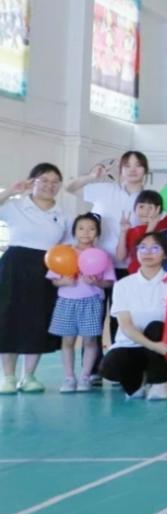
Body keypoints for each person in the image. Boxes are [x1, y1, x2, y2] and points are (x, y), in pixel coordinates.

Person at [0, 165, 69, 393]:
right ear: (32, 181)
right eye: (44, 180)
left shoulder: (63, 215)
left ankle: (29, 376)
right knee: (9, 319)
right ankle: (8, 377)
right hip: (14, 267)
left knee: (37, 320)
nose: (50, 185)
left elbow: (68, 247)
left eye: (55, 181)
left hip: (46, 269)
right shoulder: (15, 206)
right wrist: (10, 191)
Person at [100, 232, 167, 400]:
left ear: (165, 254)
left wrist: (157, 347)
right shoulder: (123, 285)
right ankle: (138, 382)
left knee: (156, 326)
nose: (148, 252)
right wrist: (152, 346)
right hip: (131, 346)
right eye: (142, 248)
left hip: (164, 347)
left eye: (155, 248)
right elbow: (126, 326)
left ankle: (159, 382)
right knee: (109, 366)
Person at [47, 213, 113, 393]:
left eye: (91, 229)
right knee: (67, 340)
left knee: (90, 340)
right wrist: (64, 282)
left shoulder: (102, 255)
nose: (86, 232)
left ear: (97, 233)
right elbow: (54, 280)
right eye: (81, 228)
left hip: (92, 302)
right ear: (74, 231)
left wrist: (96, 283)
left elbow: (109, 282)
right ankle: (69, 377)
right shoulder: (64, 252)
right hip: (66, 302)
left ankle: (85, 376)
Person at [66, 151, 150, 277]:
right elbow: (69, 188)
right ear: (120, 169)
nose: (132, 169)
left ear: (145, 170)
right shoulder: (105, 189)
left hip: (134, 266)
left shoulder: (149, 199)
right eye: (127, 165)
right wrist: (91, 176)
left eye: (138, 165)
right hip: (97, 262)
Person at [118, 190, 167, 274]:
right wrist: (123, 232)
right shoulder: (131, 231)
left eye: (150, 208)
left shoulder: (163, 224)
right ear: (135, 208)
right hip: (136, 275)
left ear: (158, 210)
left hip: (158, 275)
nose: (145, 212)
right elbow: (120, 257)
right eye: (141, 207)